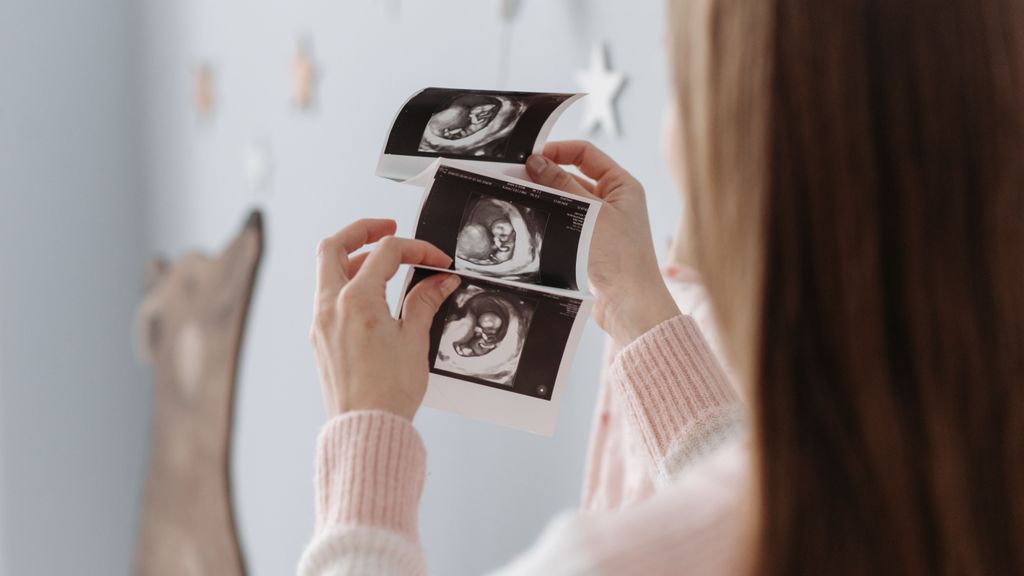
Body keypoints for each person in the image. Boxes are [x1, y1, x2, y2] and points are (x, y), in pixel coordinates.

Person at [300, 0, 1024, 573]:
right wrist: (639, 307)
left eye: (683, 81)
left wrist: (366, 433)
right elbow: (760, 491)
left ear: (753, 141)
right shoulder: (965, 484)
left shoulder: (615, 561)